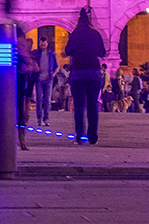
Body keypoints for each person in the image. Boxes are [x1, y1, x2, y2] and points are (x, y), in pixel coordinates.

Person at [63, 8, 106, 145]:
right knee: (93, 105)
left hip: (78, 71)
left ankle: (79, 135)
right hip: (93, 71)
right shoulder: (95, 34)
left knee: (79, 106)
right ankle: (93, 137)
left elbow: (68, 50)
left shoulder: (75, 34)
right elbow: (102, 52)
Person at [34, 36, 55, 126]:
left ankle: (46, 118)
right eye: (41, 44)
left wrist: (53, 74)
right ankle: (39, 119)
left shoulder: (51, 54)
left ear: (47, 43)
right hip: (39, 79)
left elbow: (56, 66)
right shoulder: (36, 53)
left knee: (48, 100)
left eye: (44, 44)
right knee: (39, 99)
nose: (42, 46)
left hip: (48, 79)